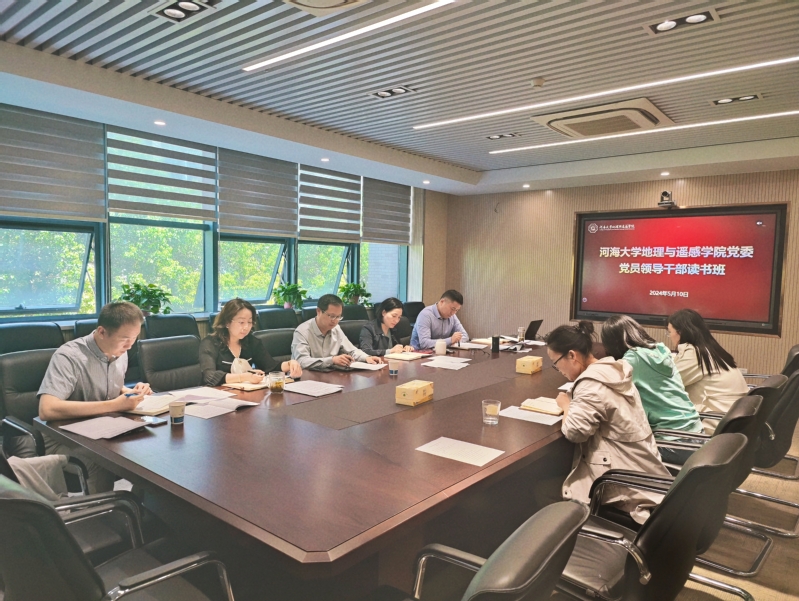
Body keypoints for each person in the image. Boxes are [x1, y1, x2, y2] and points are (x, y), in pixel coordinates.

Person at [548, 321, 670, 523]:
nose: (557, 368)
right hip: (642, 471)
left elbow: (574, 432)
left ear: (572, 355)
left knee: (543, 492)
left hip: (623, 484)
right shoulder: (613, 371)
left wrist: (567, 405)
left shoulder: (591, 384)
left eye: (556, 362)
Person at [38, 301, 151, 493]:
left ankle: (141, 509)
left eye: (134, 338)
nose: (130, 346)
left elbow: (109, 386)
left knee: (150, 450)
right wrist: (115, 405)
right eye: (125, 338)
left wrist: (129, 392)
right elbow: (47, 409)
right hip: (65, 438)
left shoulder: (120, 352)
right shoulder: (69, 356)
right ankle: (100, 515)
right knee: (102, 462)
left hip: (103, 430)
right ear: (102, 332)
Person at [601, 315, 703, 464]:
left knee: (609, 448)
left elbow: (604, 389)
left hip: (672, 443)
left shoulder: (633, 359)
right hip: (697, 435)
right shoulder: (661, 350)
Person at [667, 309, 749, 432]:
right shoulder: (710, 349)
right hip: (734, 418)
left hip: (715, 420)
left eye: (670, 332)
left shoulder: (695, 354)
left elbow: (667, 383)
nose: (670, 337)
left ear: (680, 333)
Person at [200, 298, 301, 387]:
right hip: (218, 397)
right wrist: (243, 377)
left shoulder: (251, 341)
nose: (246, 327)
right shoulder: (210, 344)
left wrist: (289, 364)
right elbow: (209, 376)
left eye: (249, 322)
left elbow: (270, 366)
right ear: (227, 322)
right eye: (241, 322)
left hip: (244, 395)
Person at [292, 294, 381, 369]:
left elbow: (351, 350)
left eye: (338, 317)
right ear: (318, 311)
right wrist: (332, 360)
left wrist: (367, 358)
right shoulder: (302, 332)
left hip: (329, 375)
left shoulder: (336, 328)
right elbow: (302, 361)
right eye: (331, 316)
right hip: (306, 378)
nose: (335, 321)